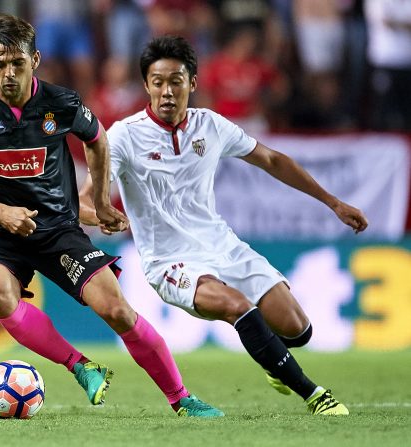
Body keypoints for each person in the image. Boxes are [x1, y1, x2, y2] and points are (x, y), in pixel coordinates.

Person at [0, 14, 223, 418]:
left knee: (116, 310)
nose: (9, 73)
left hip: (58, 229)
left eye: (18, 63)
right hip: (1, 233)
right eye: (0, 63)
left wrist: (100, 203)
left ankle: (182, 398)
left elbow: (98, 140)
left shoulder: (61, 103)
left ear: (36, 59)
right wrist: (0, 212)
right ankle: (80, 366)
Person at [79, 35, 369, 415]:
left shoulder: (210, 125)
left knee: (299, 329)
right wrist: (101, 214)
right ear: (147, 85)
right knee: (237, 306)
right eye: (158, 82)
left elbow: (271, 159)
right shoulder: (124, 135)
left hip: (222, 246)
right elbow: (84, 200)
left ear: (193, 84)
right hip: (169, 261)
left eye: (176, 81)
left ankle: (274, 362)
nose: (167, 91)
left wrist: (332, 202)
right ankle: (315, 396)